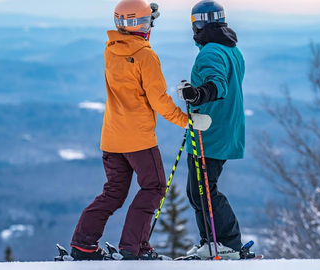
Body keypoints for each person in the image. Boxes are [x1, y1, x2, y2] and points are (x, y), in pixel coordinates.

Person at [69, 0, 211, 261]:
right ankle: (133, 247)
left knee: (113, 192)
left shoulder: (110, 50)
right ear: (141, 25)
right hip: (139, 141)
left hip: (112, 140)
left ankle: (82, 244)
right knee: (154, 187)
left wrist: (141, 19)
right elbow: (158, 100)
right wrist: (187, 121)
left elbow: (130, 42)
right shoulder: (146, 56)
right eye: (145, 22)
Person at [177, 0, 246, 260]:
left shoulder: (210, 52)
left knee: (203, 189)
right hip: (224, 129)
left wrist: (196, 95)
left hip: (211, 133)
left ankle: (227, 242)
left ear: (199, 24)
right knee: (199, 189)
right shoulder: (232, 50)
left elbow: (217, 85)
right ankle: (211, 241)